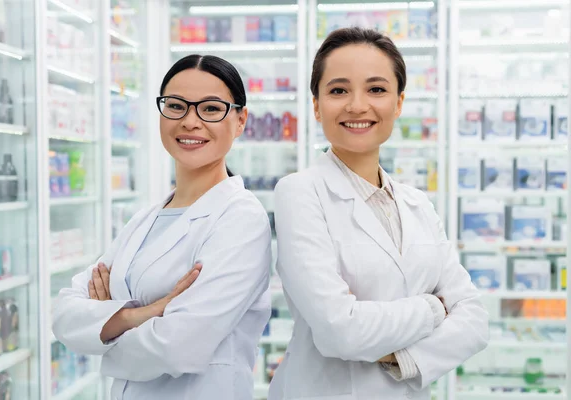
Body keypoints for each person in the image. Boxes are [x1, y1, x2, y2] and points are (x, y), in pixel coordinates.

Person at [269, 27, 489, 400]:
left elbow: (475, 321)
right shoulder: (299, 193)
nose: (357, 105)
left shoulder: (417, 204)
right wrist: (433, 309)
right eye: (338, 90)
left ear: (399, 103)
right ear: (317, 105)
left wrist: (401, 357)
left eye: (376, 89)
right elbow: (339, 330)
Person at [52, 54, 272, 400]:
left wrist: (103, 328)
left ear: (240, 120)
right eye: (176, 106)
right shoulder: (145, 218)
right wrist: (143, 314)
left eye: (211, 109)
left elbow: (178, 346)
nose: (190, 121)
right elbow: (64, 314)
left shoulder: (241, 219)